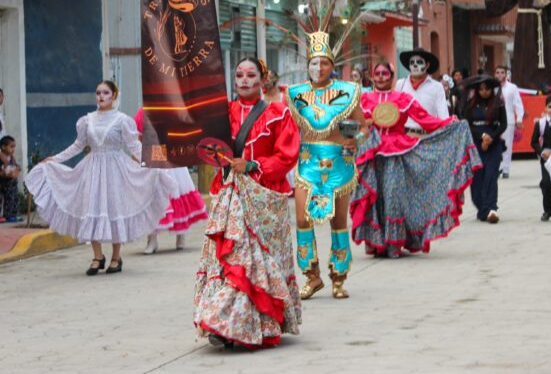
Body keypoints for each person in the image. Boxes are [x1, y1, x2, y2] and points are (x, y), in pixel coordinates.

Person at [194, 57, 301, 349]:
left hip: (263, 195)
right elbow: (208, 146)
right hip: (230, 193)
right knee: (231, 258)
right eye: (239, 74)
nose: (243, 80)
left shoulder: (278, 114)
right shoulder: (223, 113)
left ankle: (259, 324)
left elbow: (287, 156)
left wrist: (253, 165)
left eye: (250, 75)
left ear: (262, 80)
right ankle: (222, 322)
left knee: (260, 263)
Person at [24, 81, 174, 275]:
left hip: (116, 170)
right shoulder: (87, 120)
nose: (101, 96)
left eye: (105, 93)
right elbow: (77, 146)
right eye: (98, 93)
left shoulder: (122, 120)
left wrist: (154, 161)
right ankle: (97, 256)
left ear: (114, 96)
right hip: (93, 169)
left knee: (114, 209)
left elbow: (134, 147)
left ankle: (116, 257)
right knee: (91, 209)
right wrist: (54, 159)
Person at [350, 62, 480, 258]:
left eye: (385, 73)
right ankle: (376, 243)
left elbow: (425, 120)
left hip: (397, 153)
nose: (381, 77)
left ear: (392, 76)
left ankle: (394, 243)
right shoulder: (364, 99)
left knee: (394, 196)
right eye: (377, 73)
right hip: (372, 154)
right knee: (374, 197)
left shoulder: (402, 98)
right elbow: (354, 124)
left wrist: (447, 122)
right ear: (372, 76)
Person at [288, 32, 367, 300]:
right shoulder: (296, 95)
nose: (318, 68)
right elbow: (286, 130)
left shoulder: (346, 93)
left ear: (332, 65)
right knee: (301, 219)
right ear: (307, 64)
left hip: (339, 163)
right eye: (313, 63)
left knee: (339, 222)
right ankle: (311, 276)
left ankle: (338, 277)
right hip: (307, 163)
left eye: (323, 63)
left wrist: (355, 141)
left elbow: (363, 127)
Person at [134, 108, 207, 254]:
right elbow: (138, 138)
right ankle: (152, 240)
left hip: (172, 156)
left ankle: (181, 234)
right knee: (153, 197)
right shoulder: (142, 113)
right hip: (152, 157)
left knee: (176, 192)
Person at [463, 75, 507, 223]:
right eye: (481, 89)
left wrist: (491, 137)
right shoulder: (470, 104)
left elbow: (503, 124)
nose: (484, 92)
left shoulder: (498, 103)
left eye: (487, 89)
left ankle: (492, 209)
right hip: (476, 144)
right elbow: (466, 125)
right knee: (477, 180)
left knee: (491, 176)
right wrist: (482, 136)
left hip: (493, 144)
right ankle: (483, 209)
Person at [395, 48, 449, 133]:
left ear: (427, 65)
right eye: (412, 63)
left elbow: (444, 116)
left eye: (419, 62)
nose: (415, 65)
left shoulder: (437, 87)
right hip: (406, 137)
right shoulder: (400, 85)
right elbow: (395, 113)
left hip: (429, 137)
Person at [495, 65, 524, 179]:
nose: (500, 75)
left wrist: (519, 119)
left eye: (502, 72)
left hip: (509, 120)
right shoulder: (492, 88)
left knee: (507, 145)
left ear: (506, 74)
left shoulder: (512, 88)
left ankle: (506, 168)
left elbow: (518, 104)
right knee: (496, 144)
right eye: (497, 72)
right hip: (495, 120)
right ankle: (498, 167)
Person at [0, 135, 21, 223]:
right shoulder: (1, 158)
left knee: (13, 197)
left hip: (12, 183)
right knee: (1, 198)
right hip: (2, 182)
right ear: (3, 147)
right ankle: (6, 216)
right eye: (11, 146)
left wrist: (17, 169)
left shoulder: (12, 158)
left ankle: (12, 215)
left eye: (14, 147)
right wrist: (5, 172)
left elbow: (16, 166)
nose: (13, 149)